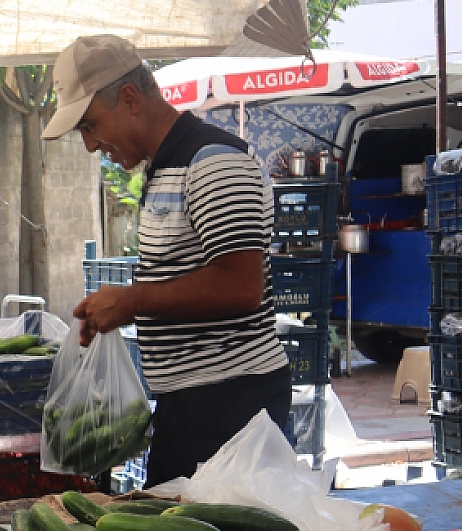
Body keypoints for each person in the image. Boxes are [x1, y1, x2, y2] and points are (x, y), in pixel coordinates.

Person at [47, 35, 289, 486]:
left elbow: (240, 286)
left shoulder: (214, 163)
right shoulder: (164, 168)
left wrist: (133, 301)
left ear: (129, 98)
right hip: (191, 405)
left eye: (91, 126)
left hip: (231, 409)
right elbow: (187, 277)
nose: (90, 145)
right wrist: (122, 306)